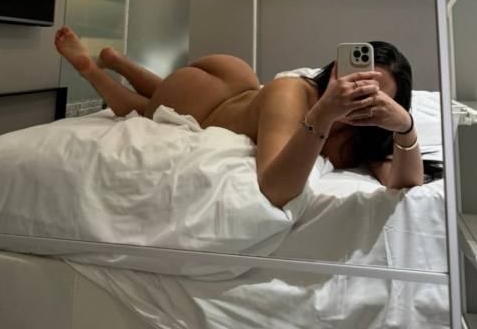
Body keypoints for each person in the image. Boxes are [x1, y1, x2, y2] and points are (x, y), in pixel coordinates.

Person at [55, 27, 423, 208]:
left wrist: (404, 128)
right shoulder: (294, 94)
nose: (361, 98)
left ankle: (119, 62)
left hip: (234, 90)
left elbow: (404, 182)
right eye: (358, 83)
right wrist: (326, 112)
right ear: (337, 72)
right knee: (143, 110)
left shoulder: (366, 131)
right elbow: (275, 188)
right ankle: (92, 70)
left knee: (157, 94)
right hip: (208, 102)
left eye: (376, 95)